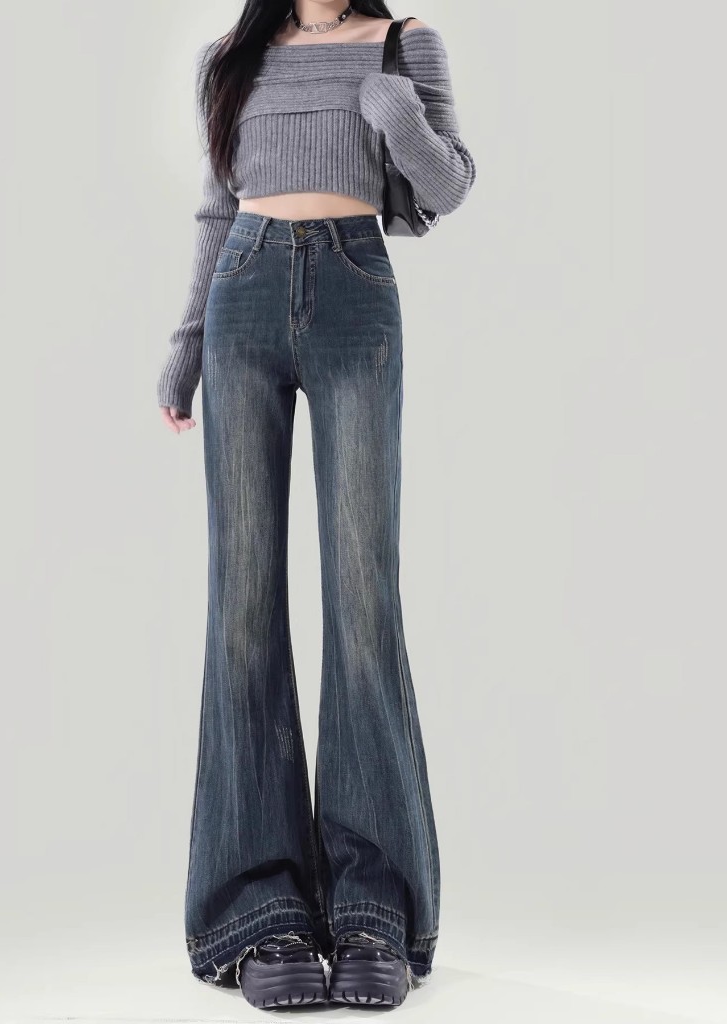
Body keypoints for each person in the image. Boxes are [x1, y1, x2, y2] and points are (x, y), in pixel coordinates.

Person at [156, 1, 476, 1008]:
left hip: (354, 292)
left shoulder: (404, 43)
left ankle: (374, 911)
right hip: (243, 295)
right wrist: (186, 345)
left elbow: (447, 187)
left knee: (363, 601)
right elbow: (217, 206)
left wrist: (398, 117)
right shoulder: (232, 56)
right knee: (243, 606)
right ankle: (260, 915)